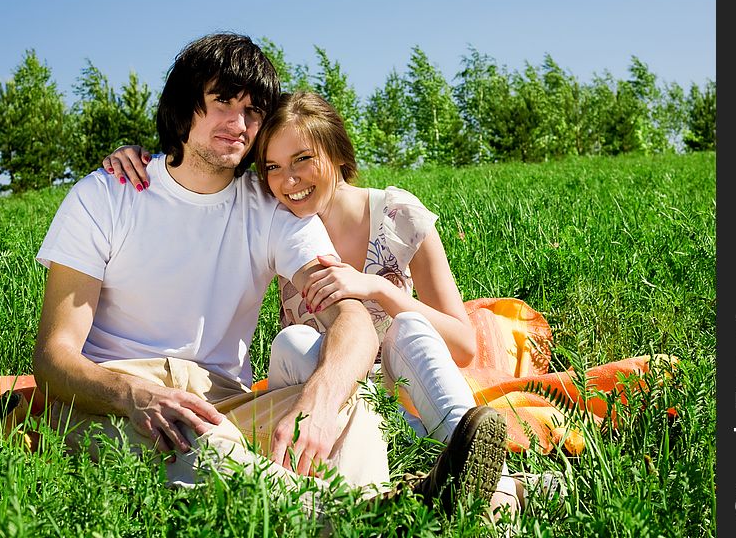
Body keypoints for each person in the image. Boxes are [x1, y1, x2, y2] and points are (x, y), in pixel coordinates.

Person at [35, 33, 507, 514]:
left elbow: (352, 319)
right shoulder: (107, 194)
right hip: (116, 399)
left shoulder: (269, 210)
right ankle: (384, 516)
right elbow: (54, 357)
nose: (238, 123)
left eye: (253, 111)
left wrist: (320, 403)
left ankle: (382, 509)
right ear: (183, 106)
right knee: (205, 442)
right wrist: (131, 393)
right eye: (222, 101)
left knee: (349, 410)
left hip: (226, 401)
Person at [103, 91, 559, 516]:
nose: (289, 181)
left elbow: (462, 345)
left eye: (303, 160)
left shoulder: (397, 217)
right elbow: (205, 171)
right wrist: (142, 156)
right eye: (274, 167)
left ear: (338, 154)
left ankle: (485, 468)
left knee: (410, 330)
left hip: (400, 384)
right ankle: (499, 489)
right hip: (315, 387)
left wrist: (377, 289)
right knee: (296, 339)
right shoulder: (275, 216)